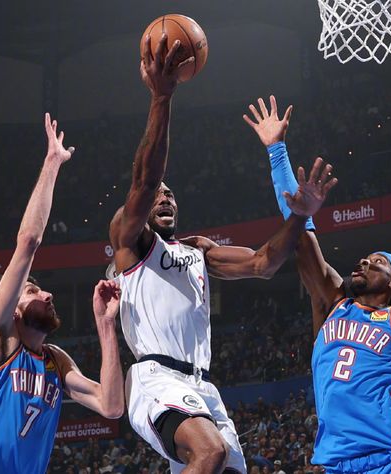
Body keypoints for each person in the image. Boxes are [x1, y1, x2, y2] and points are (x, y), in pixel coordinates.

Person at [108, 36, 335, 474]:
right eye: (158, 195)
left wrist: (299, 215)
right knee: (209, 453)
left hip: (202, 386)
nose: (164, 197)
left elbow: (264, 264)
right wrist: (161, 98)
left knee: (225, 466)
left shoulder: (199, 252)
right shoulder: (131, 242)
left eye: (171, 194)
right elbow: (145, 179)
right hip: (156, 378)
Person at [244, 95, 391, 473]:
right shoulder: (332, 301)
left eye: (377, 263)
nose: (364, 262)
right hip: (335, 463)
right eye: (364, 259)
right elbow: (302, 229)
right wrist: (277, 151)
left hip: (386, 459)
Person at [0, 115, 124, 473]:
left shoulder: (55, 361)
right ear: (12, 309)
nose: (47, 294)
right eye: (32, 290)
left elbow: (111, 406)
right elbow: (28, 241)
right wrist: (53, 162)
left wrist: (106, 325)